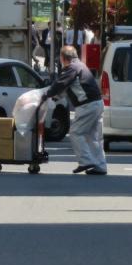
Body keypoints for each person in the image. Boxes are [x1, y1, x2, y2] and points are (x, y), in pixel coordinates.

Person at [40, 44, 107, 175]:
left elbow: (60, 84)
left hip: (87, 105)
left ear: (63, 58)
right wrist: (55, 97)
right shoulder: (81, 65)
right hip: (97, 103)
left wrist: (46, 95)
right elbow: (70, 87)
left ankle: (86, 161)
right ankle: (100, 166)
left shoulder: (71, 68)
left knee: (76, 132)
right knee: (93, 137)